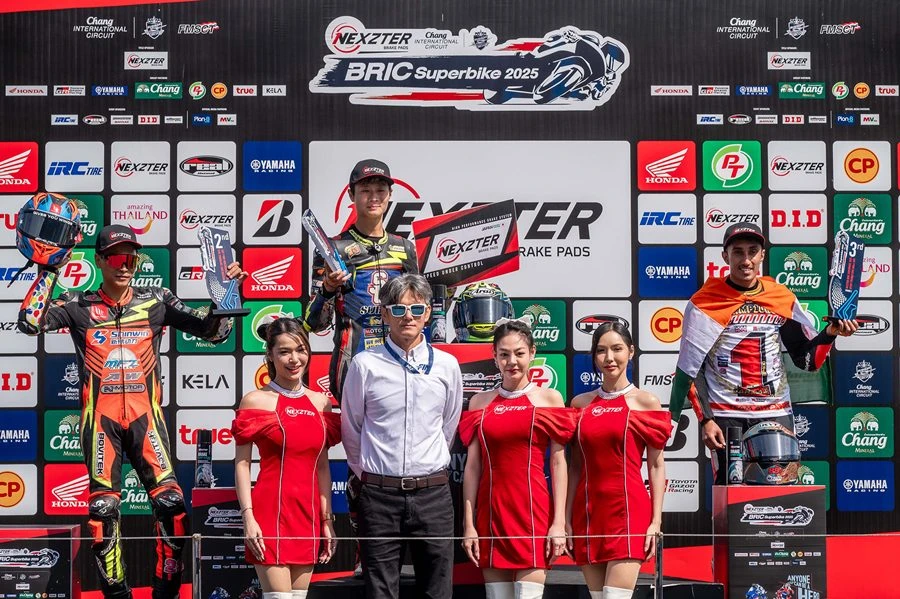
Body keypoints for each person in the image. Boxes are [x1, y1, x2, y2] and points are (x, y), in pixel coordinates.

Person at [17, 223, 247, 599]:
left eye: (132, 259)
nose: (125, 266)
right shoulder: (78, 304)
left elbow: (214, 333)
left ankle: (165, 591)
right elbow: (29, 323)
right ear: (99, 260)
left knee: (172, 505)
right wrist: (48, 271)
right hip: (100, 421)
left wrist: (225, 295)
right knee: (103, 510)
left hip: (146, 419)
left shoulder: (156, 300)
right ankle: (118, 594)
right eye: (117, 258)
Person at [669, 221, 857, 484]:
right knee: (731, 490)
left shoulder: (780, 297)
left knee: (781, 489)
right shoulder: (704, 303)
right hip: (727, 414)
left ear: (762, 255)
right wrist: (706, 420)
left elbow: (806, 360)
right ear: (725, 256)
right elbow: (691, 368)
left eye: (752, 251)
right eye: (738, 252)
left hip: (775, 411)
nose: (746, 260)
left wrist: (829, 334)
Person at [303, 158, 419, 570]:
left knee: (404, 448)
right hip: (354, 362)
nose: (373, 196)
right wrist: (325, 289)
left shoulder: (406, 247)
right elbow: (315, 323)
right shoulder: (332, 248)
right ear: (351, 195)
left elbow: (423, 306)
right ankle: (366, 548)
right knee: (359, 460)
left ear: (389, 196)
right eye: (365, 189)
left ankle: (402, 546)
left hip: (400, 363)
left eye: (380, 189)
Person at [341, 273, 463, 599]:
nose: (407, 316)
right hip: (379, 496)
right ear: (384, 314)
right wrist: (371, 477)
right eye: (398, 309)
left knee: (437, 592)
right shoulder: (365, 364)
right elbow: (351, 429)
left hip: (433, 494)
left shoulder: (447, 366)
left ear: (427, 313)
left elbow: (448, 426)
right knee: (380, 592)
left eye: (416, 308)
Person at [460, 319, 576, 599]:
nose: (512, 361)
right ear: (494, 356)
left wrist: (558, 522)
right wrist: (469, 524)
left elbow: (558, 463)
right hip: (490, 516)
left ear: (532, 353)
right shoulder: (479, 402)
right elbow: (472, 468)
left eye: (519, 353)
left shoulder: (549, 399)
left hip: (534, 514)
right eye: (504, 354)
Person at [232, 317, 341, 599]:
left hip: (308, 517)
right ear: (270, 355)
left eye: (300, 350)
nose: (294, 359)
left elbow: (323, 466)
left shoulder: (321, 403)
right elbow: (242, 464)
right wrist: (248, 517)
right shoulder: (255, 400)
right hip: (269, 515)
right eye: (284, 351)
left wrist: (327, 520)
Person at [566, 322, 671, 599]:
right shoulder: (579, 404)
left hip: (629, 514)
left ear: (631, 352)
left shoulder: (646, 402)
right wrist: (565, 518)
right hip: (587, 515)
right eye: (601, 350)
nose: (609, 358)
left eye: (617, 349)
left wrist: (655, 522)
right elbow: (574, 467)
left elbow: (656, 466)